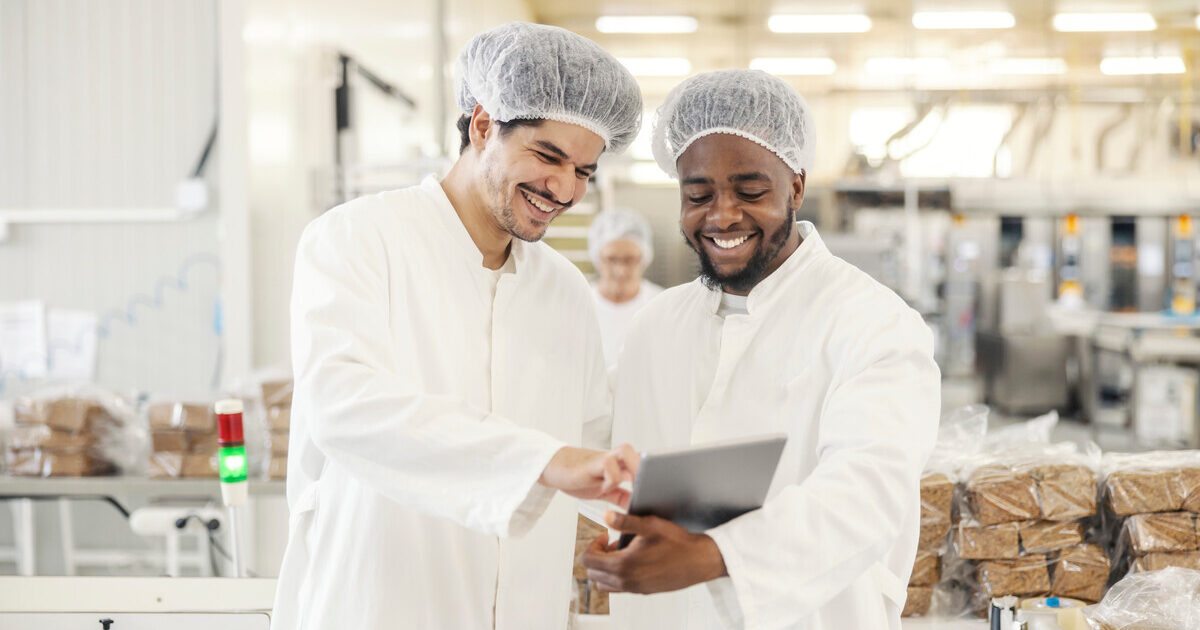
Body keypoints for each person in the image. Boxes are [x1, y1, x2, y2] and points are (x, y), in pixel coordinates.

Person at [271, 22, 642, 630]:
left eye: (584, 171)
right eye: (548, 156)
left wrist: (641, 519)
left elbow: (592, 445)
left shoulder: (565, 291)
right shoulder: (358, 240)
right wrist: (543, 461)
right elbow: (345, 407)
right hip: (378, 605)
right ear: (482, 125)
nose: (565, 188)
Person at [582, 69, 941, 629]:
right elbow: (598, 450)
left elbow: (869, 490)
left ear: (796, 185)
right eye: (698, 195)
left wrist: (714, 557)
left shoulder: (872, 323)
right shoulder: (656, 326)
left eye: (750, 192)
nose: (722, 215)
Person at [588, 209, 663, 368]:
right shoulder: (581, 304)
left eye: (629, 260)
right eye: (612, 259)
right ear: (597, 257)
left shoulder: (662, 305)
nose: (620, 271)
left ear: (644, 258)